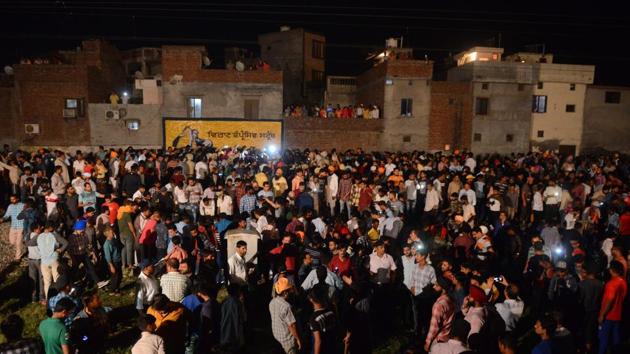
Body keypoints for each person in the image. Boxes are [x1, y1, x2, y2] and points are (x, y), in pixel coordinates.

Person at [598, 260, 627, 354]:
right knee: (616, 338)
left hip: (608, 316)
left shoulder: (611, 284)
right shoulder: (623, 282)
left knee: (603, 338)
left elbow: (610, 299)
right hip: (618, 315)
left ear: (612, 270)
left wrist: (602, 315)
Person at [269, 277, 301, 353]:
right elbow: (292, 326)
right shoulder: (286, 306)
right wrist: (298, 339)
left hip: (277, 336)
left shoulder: (272, 302)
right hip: (287, 340)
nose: (291, 291)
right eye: (289, 290)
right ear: (285, 292)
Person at [425, 277, 456, 352]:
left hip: (438, 340)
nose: (433, 287)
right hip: (448, 338)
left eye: (436, 285)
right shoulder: (450, 300)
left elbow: (434, 327)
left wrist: (427, 343)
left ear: (443, 290)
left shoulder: (438, 305)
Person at [308, 287, 338, 354]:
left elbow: (318, 341)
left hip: (323, 350)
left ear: (311, 300)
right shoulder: (331, 312)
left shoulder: (314, 318)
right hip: (332, 347)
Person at [2, 194, 25, 260]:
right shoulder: (10, 206)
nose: (12, 201)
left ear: (17, 199)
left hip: (21, 227)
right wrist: (3, 219)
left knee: (18, 244)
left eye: (13, 199)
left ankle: (18, 257)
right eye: (11, 200)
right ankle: (21, 242)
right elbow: (7, 215)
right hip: (13, 227)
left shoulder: (22, 205)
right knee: (12, 241)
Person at [103, 226, 122, 294]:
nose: (113, 232)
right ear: (107, 233)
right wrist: (111, 266)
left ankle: (117, 289)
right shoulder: (107, 244)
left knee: (120, 276)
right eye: (111, 232)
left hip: (118, 260)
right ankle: (112, 290)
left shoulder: (113, 240)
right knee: (115, 277)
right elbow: (108, 256)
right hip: (113, 263)